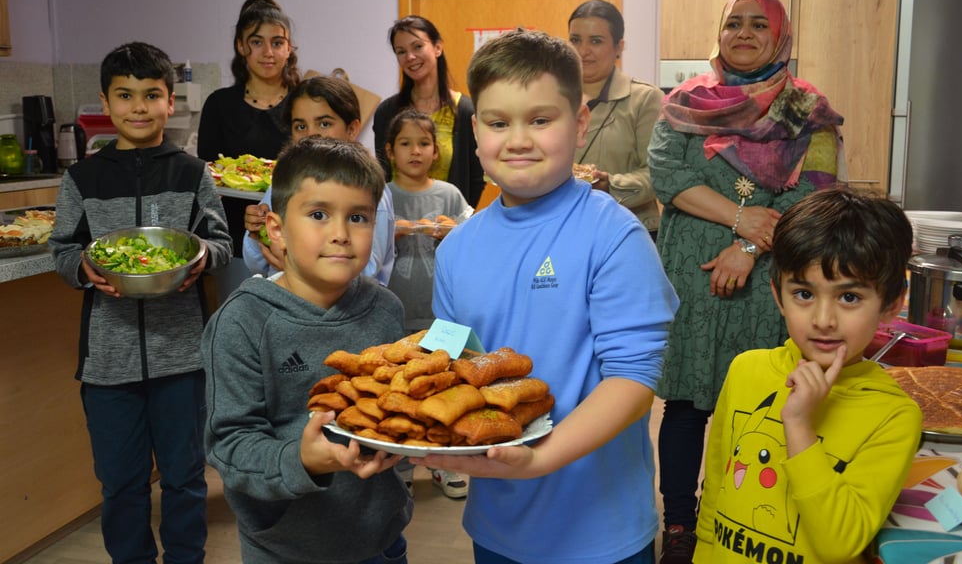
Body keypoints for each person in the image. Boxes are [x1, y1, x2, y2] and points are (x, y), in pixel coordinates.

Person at [411, 29, 680, 563]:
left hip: (600, 531)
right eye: (498, 122)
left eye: (540, 119)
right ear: (475, 130)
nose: (518, 140)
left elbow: (634, 381)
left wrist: (541, 458)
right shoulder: (458, 248)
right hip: (497, 523)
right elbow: (451, 359)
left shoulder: (613, 235)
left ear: (579, 123)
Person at [649, 0, 846, 561]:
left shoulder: (808, 110)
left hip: (769, 283)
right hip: (692, 277)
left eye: (759, 24)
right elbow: (666, 176)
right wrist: (741, 216)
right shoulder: (686, 101)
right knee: (686, 406)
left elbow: (818, 195)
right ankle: (681, 524)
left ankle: (734, 512)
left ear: (780, 36)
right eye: (733, 23)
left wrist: (748, 246)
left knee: (760, 402)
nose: (744, 32)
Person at [49, 41, 233, 564]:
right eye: (125, 96)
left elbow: (219, 242)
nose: (138, 107)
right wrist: (82, 268)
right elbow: (62, 250)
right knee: (121, 483)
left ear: (170, 103)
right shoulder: (82, 178)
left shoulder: (192, 172)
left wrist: (201, 260)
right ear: (105, 104)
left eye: (151, 95)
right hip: (108, 364)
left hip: (182, 357)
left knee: (185, 477)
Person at [202, 136, 412, 564]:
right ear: (276, 229)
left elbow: (396, 408)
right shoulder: (243, 323)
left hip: (381, 540)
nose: (340, 234)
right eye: (319, 214)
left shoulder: (386, 310)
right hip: (284, 548)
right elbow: (230, 446)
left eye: (358, 217)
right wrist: (302, 459)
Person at [694, 188, 922, 563]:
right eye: (803, 294)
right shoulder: (745, 369)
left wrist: (799, 426)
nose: (823, 320)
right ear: (778, 295)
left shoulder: (893, 416)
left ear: (891, 304)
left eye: (849, 297)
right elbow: (717, 485)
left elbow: (840, 544)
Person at [384, 108, 473, 500]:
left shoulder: (449, 194)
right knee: (401, 385)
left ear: (436, 151)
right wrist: (390, 231)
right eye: (405, 144)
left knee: (440, 384)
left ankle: (441, 461)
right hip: (395, 306)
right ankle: (402, 462)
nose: (415, 152)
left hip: (443, 310)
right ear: (390, 151)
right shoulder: (382, 194)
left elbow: (473, 233)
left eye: (423, 144)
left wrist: (454, 231)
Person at [241, 76, 396, 285]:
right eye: (300, 126)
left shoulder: (367, 190)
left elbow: (364, 271)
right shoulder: (284, 182)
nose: (312, 135)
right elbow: (257, 262)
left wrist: (296, 266)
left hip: (349, 313)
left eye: (324, 123)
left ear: (352, 129)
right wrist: (256, 233)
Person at [198, 0, 300, 257]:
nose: (268, 52)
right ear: (241, 46)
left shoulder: (304, 101)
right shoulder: (219, 104)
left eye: (277, 43)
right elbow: (208, 178)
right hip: (235, 236)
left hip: (299, 235)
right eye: (257, 42)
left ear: (289, 49)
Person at [568, 0, 664, 239]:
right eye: (575, 40)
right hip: (565, 227)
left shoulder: (645, 99)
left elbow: (659, 175)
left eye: (596, 41)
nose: (583, 51)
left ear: (619, 47)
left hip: (628, 230)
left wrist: (610, 184)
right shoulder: (553, 99)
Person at [373, 15, 485, 208]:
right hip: (397, 227)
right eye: (401, 51)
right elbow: (382, 174)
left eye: (417, 46)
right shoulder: (387, 112)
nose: (410, 57)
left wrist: (460, 223)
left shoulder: (466, 111)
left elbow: (477, 178)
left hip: (450, 227)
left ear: (437, 47)